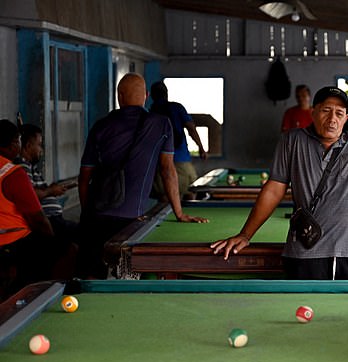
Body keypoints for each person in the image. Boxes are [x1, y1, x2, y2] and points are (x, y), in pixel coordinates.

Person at [211, 86, 348, 279]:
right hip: (306, 252)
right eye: (325, 110)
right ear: (313, 112)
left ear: (346, 119)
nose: (332, 118)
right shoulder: (291, 141)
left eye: (339, 113)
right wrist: (245, 234)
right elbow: (274, 190)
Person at [77, 73, 207, 279]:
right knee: (123, 276)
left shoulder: (100, 126)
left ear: (119, 96)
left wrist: (86, 214)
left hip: (96, 213)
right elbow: (167, 171)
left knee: (91, 274)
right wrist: (179, 213)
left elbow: (84, 177)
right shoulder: (161, 124)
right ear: (146, 96)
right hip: (131, 219)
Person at [0, 119, 74, 296]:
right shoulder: (14, 173)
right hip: (13, 241)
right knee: (69, 250)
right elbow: (38, 219)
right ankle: (46, 297)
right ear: (13, 143)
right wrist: (51, 237)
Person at [14, 123, 78, 243]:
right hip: (49, 220)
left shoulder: (31, 167)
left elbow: (37, 190)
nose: (41, 150)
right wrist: (50, 191)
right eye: (39, 145)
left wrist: (52, 189)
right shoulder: (22, 166)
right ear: (28, 146)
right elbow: (30, 195)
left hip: (55, 219)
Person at [149, 80, 207, 202]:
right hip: (180, 159)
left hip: (160, 162)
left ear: (151, 95)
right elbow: (191, 129)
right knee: (191, 191)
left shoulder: (151, 112)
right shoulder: (176, 107)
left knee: (165, 195)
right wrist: (201, 148)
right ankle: (189, 217)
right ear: (166, 94)